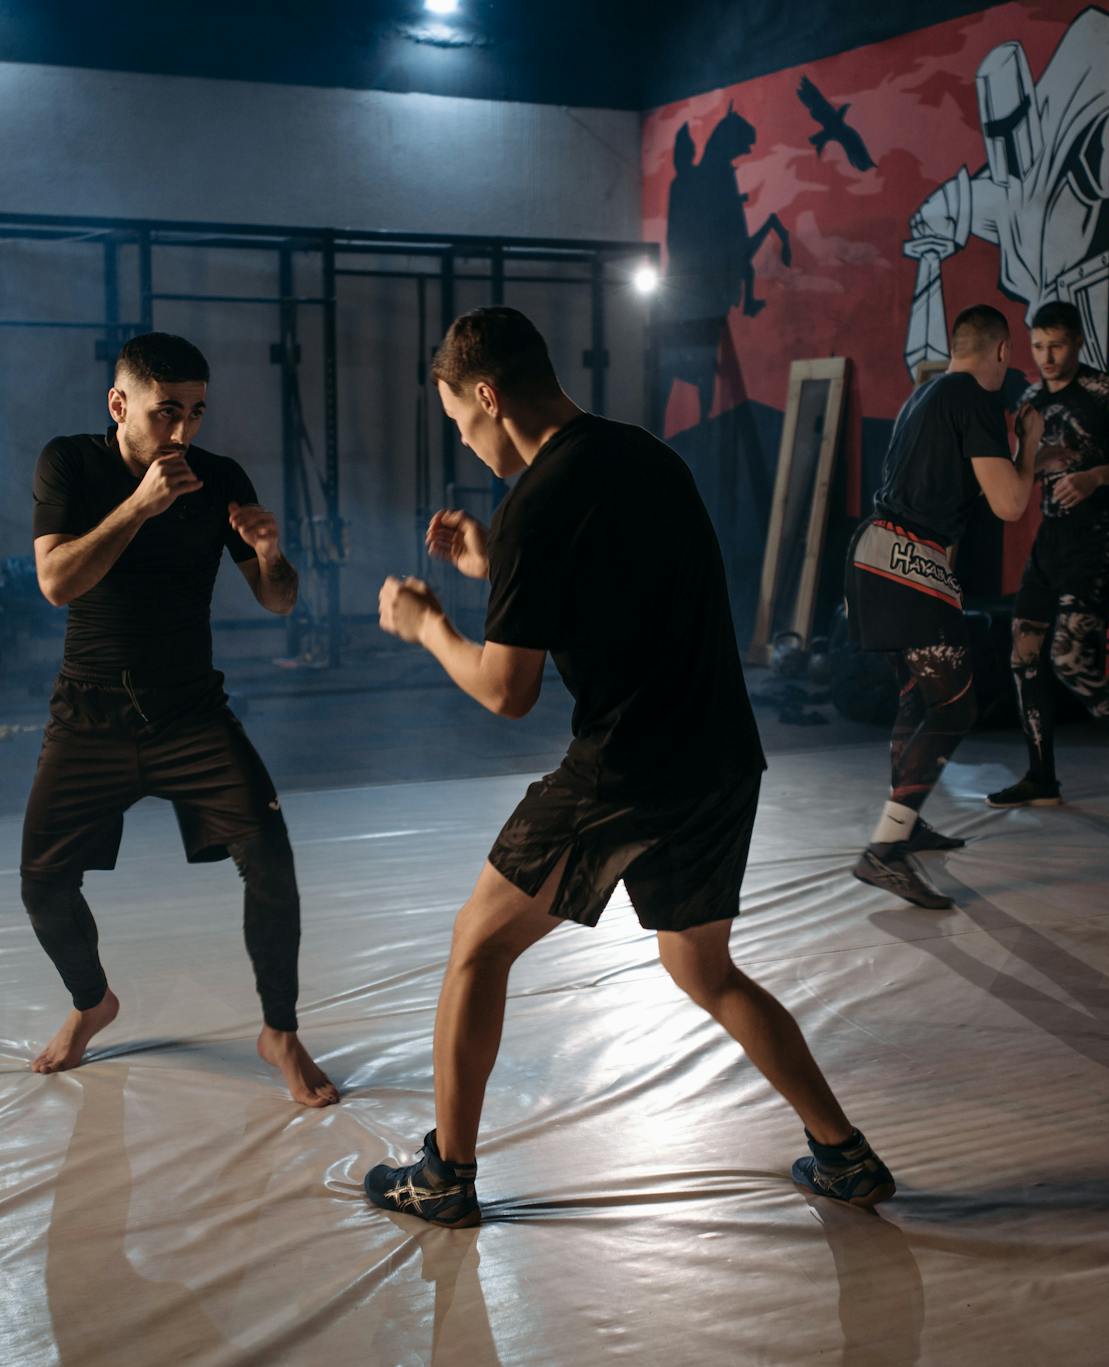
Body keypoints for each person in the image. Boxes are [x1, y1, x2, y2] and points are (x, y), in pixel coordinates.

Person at [364, 306, 894, 1226]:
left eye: (461, 420)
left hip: (628, 768)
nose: (466, 437)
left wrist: (428, 626)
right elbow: (612, 591)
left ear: (488, 396)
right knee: (704, 969)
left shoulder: (534, 501)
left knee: (476, 944)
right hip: (721, 755)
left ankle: (443, 1176)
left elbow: (505, 691)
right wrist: (497, 565)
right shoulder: (645, 453)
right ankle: (844, 1155)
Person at [18, 331, 335, 1107]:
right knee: (42, 881)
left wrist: (269, 554)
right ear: (119, 405)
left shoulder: (217, 476)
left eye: (195, 412)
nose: (183, 432)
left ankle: (280, 1032)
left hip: (190, 712)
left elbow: (281, 599)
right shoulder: (70, 464)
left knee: (270, 854)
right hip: (90, 712)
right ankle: (93, 1001)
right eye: (166, 413)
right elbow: (56, 581)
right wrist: (140, 505)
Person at [844, 305, 1035, 910]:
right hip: (906, 563)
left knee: (916, 699)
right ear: (1002, 352)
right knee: (955, 708)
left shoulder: (923, 396)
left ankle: (907, 827)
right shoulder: (973, 399)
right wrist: (1028, 444)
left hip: (881, 553)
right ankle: (885, 850)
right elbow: (1009, 503)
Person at [986, 301, 1109, 820]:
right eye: (1040, 345)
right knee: (1023, 657)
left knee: (1070, 659)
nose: (1048, 356)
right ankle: (1041, 778)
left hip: (1098, 537)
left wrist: (1097, 476)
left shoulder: (1105, 393)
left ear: (1078, 343)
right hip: (1051, 541)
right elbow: (1029, 468)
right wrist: (1034, 464)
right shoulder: (1028, 400)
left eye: (1059, 345)